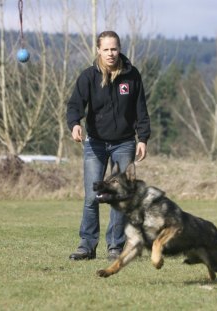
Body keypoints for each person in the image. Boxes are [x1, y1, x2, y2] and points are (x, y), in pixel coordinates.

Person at [66, 30, 151, 261]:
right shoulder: (88, 77)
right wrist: (75, 124)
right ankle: (86, 245)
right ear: (98, 50)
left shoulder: (132, 76)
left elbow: (141, 110)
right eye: (106, 49)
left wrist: (142, 138)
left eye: (114, 48)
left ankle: (115, 246)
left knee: (121, 196)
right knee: (92, 197)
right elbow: (75, 105)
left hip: (124, 143)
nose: (111, 53)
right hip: (95, 144)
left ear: (119, 49)